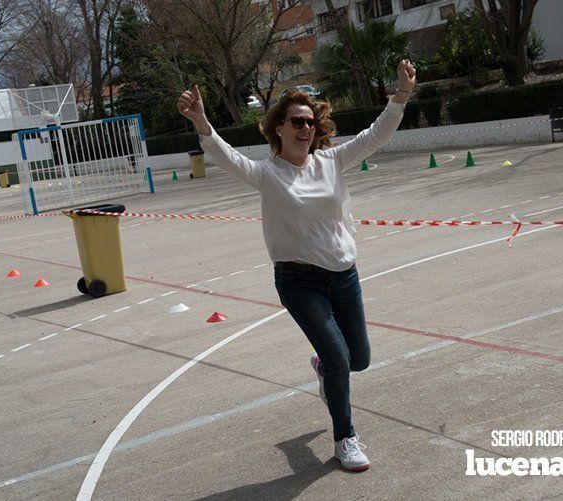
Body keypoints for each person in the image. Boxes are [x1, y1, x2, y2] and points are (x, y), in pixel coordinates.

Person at [177, 60, 417, 472]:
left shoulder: (332, 162)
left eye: (309, 122)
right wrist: (202, 122)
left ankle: (324, 368)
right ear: (278, 128)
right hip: (299, 281)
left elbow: (376, 135)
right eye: (296, 122)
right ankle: (346, 438)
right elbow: (226, 157)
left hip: (345, 277)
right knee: (342, 360)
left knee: (357, 359)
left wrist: (401, 95)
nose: (305, 128)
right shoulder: (267, 174)